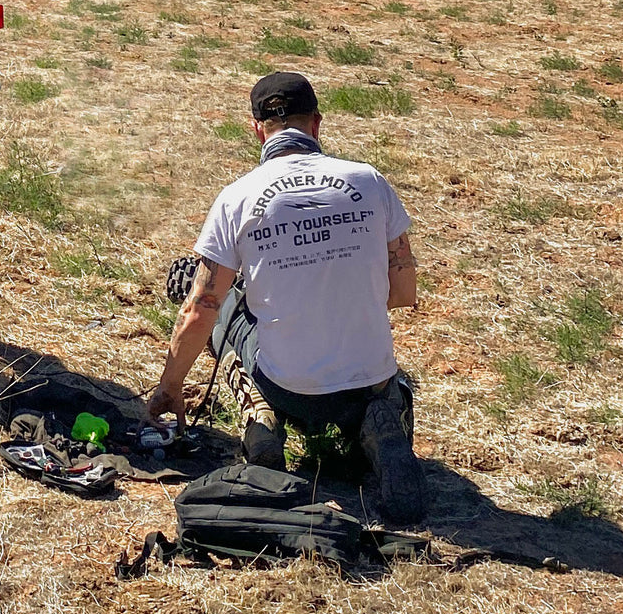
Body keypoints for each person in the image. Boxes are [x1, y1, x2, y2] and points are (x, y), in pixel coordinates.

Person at [146, 72, 425, 524]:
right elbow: (403, 291)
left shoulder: (237, 199)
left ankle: (262, 420)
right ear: (316, 124)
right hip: (369, 378)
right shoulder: (370, 181)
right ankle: (379, 421)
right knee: (375, 381)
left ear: (257, 129)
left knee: (226, 315)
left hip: (289, 387)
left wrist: (170, 386)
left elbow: (199, 309)